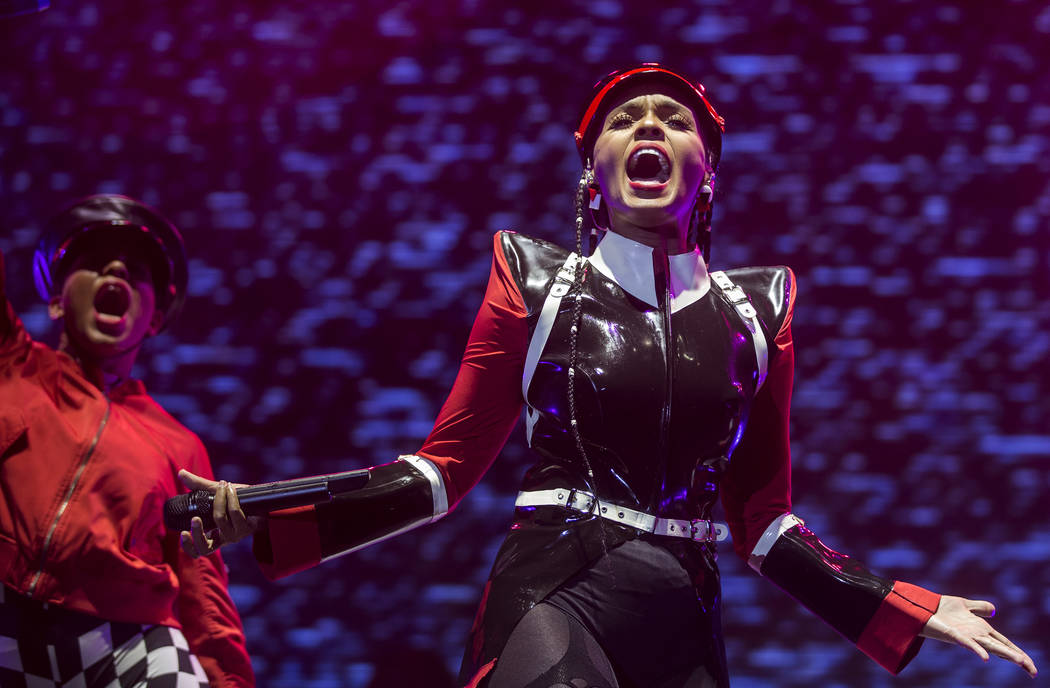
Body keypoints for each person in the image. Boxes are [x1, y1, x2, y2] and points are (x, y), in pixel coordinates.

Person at [180, 65, 1037, 687]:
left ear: (708, 168)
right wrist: (258, 509)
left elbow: (764, 522)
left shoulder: (759, 309)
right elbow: (440, 475)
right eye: (626, 122)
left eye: (674, 118)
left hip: (686, 614)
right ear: (593, 168)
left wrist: (902, 603)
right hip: (555, 589)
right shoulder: (537, 278)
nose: (650, 129)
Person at [0, 194, 254, 687]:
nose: (116, 268)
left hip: (122, 642)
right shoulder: (10, 367)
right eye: (93, 263)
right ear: (55, 298)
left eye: (137, 273)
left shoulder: (179, 446)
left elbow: (205, 604)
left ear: (154, 318)